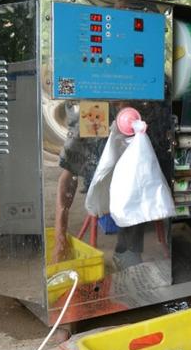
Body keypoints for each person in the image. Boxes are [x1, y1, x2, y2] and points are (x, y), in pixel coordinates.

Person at [53, 101, 145, 269]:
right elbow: (67, 175)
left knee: (139, 180)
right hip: (99, 175)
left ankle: (128, 253)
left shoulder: (141, 109)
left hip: (133, 105)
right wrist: (60, 237)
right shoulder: (93, 109)